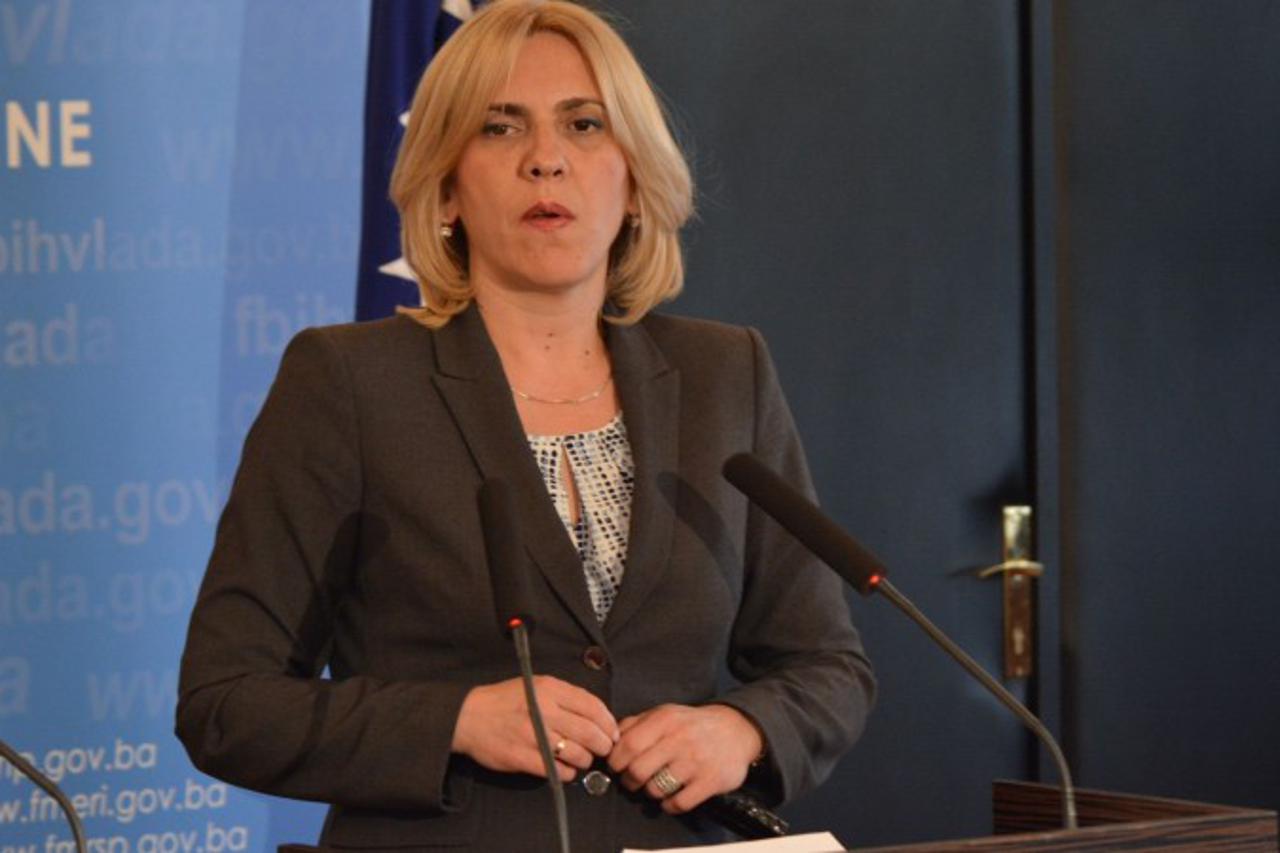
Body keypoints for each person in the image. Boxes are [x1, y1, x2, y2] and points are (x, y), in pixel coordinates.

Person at [176, 1, 875, 850]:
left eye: (584, 124)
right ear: (446, 188)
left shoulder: (725, 374)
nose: (546, 158)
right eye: (500, 128)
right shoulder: (349, 382)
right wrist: (455, 720)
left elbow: (826, 665)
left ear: (634, 178)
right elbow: (226, 701)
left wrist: (743, 730)